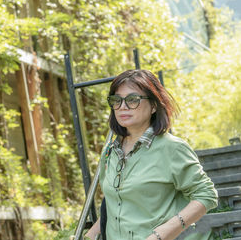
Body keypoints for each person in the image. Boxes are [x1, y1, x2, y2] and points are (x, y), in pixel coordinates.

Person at [85, 70, 218, 240]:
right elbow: (114, 207)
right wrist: (88, 236)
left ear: (154, 105)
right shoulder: (110, 151)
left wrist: (161, 234)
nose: (122, 106)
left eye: (132, 100)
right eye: (116, 100)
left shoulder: (172, 149)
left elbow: (206, 195)